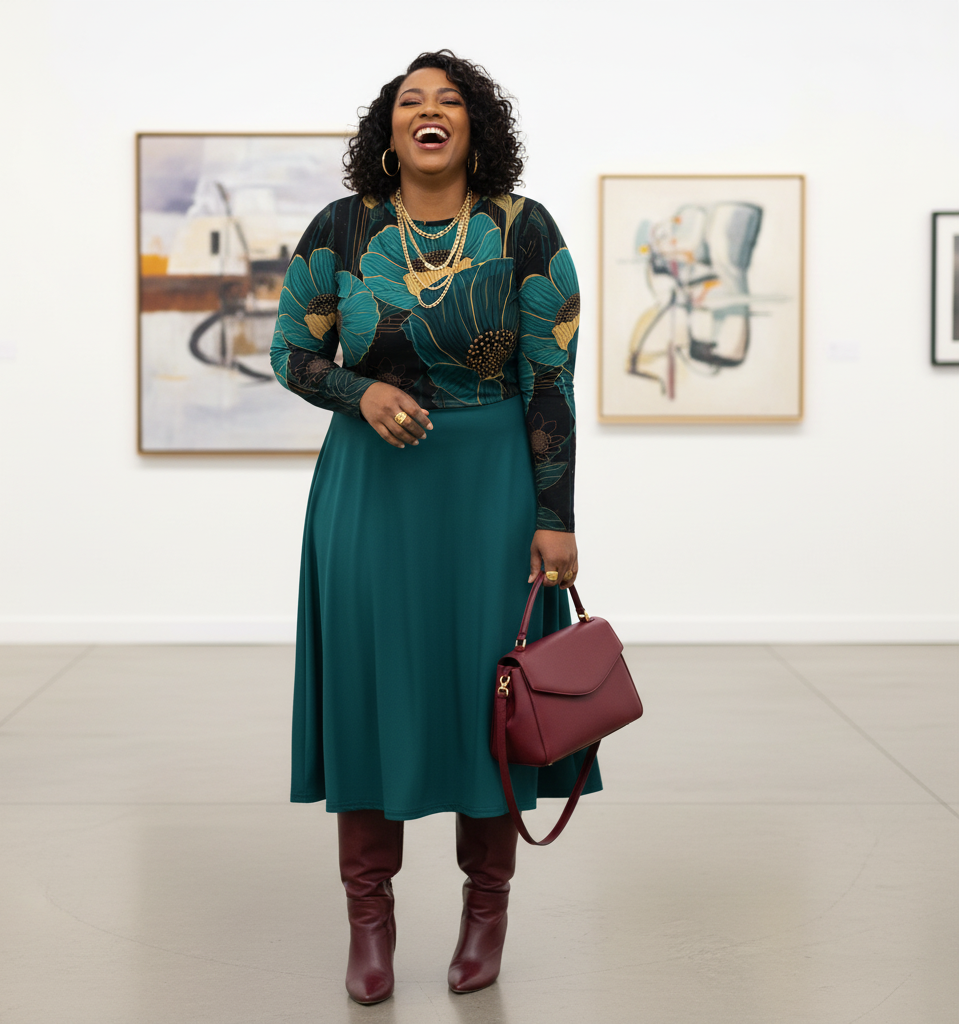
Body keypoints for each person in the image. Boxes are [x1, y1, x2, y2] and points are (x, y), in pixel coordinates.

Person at [270, 49, 601, 1005]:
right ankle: (367, 922)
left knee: (488, 700)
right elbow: (292, 353)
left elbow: (551, 379)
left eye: (448, 100)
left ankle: (485, 910)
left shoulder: (523, 230)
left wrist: (555, 516)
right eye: (410, 100)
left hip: (491, 492)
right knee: (371, 690)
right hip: (371, 492)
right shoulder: (342, 228)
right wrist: (359, 389)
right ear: (388, 132)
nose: (429, 111)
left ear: (473, 127)